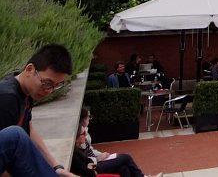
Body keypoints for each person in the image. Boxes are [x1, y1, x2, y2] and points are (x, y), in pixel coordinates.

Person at [0, 44, 77, 176]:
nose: (49, 91)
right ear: (29, 69)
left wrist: (56, 166)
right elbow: (4, 156)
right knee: (16, 135)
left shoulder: (25, 91)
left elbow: (30, 130)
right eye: (47, 83)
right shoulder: (7, 98)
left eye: (56, 86)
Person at [78, 107, 159, 177]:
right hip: (93, 167)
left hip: (94, 163)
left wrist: (103, 155)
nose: (90, 118)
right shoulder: (76, 149)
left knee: (124, 169)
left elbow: (90, 150)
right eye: (88, 116)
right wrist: (97, 159)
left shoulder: (83, 132)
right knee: (126, 157)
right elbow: (85, 165)